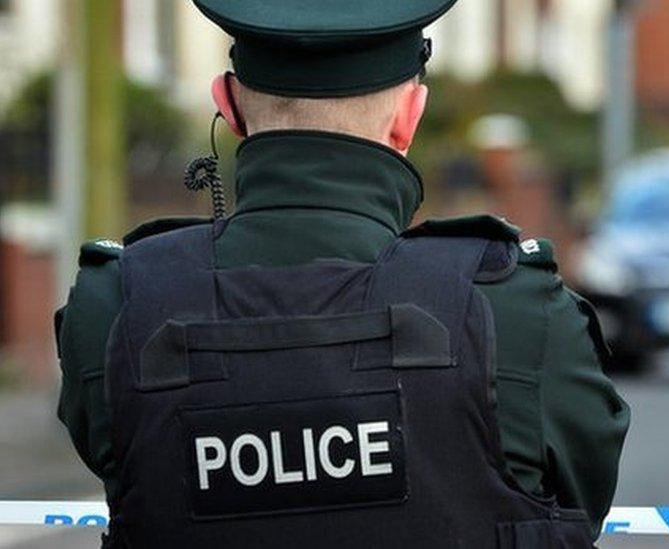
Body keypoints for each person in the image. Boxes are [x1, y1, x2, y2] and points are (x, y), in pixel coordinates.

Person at [54, 1, 629, 547]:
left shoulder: (114, 307)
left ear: (226, 107)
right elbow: (582, 500)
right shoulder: (516, 309)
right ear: (408, 118)